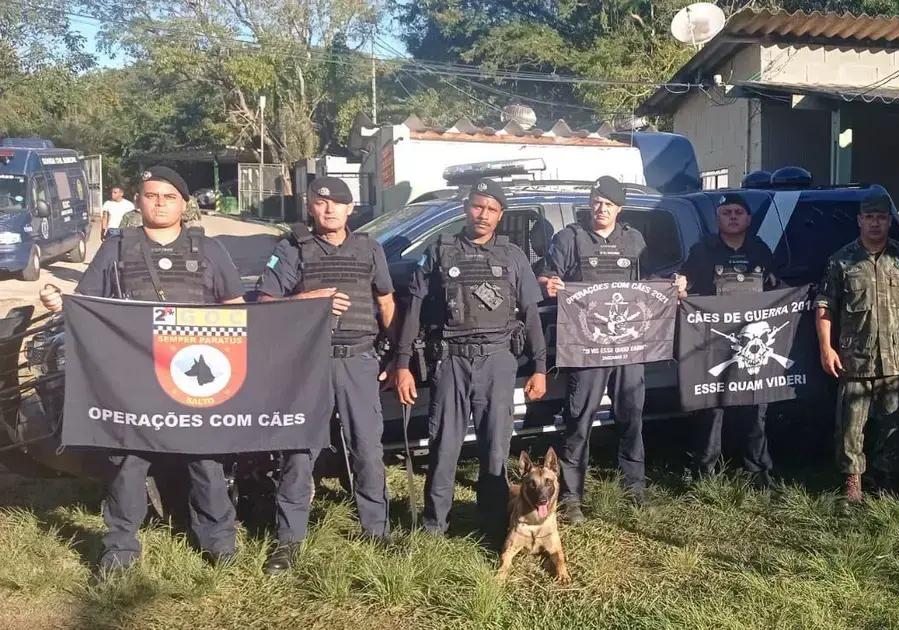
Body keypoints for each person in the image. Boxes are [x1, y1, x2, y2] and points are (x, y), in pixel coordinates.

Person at [39, 166, 244, 572]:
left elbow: (235, 311)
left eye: (169, 196)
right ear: (139, 200)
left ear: (184, 204)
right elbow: (86, 305)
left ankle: (219, 543)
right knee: (128, 462)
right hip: (131, 380)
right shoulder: (116, 249)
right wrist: (57, 301)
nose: (160, 203)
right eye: (152, 195)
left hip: (193, 377)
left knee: (205, 459)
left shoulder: (210, 250)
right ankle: (119, 549)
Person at [395, 178, 547, 544]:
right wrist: (402, 363)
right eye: (478, 206)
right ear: (466, 208)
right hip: (452, 361)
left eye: (492, 209)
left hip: (497, 360)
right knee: (444, 445)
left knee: (495, 447)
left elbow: (530, 313)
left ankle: (494, 524)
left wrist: (540, 367)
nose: (483, 214)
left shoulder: (513, 257)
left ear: (501, 215)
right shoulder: (440, 251)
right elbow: (413, 309)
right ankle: (435, 527)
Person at [257, 176, 395, 574]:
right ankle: (289, 542)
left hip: (358, 361)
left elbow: (385, 302)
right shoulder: (292, 248)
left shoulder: (369, 248)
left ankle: (376, 531)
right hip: (308, 364)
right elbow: (265, 301)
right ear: (310, 207)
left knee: (367, 449)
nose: (330, 209)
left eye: (338, 203)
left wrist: (391, 353)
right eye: (321, 202)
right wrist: (308, 299)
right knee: (299, 453)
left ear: (351, 209)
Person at [538, 176, 665, 523]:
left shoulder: (634, 240)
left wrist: (675, 286)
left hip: (628, 346)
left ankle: (633, 489)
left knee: (631, 417)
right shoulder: (569, 238)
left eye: (608, 203)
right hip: (586, 347)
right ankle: (572, 497)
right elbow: (546, 277)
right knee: (579, 420)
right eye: (596, 201)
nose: (601, 208)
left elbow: (650, 284)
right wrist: (550, 284)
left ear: (619, 208)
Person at [815, 195, 899, 506]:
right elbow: (825, 307)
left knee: (893, 423)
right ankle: (853, 486)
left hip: (896, 356)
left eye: (881, 217)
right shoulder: (842, 260)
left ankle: (886, 482)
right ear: (860, 221)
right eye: (870, 217)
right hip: (855, 357)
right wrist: (826, 348)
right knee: (851, 425)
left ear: (889, 221)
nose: (876, 222)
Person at [677, 193, 780, 489]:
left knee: (756, 406)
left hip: (753, 342)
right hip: (715, 342)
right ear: (718, 218)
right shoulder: (702, 251)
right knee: (712, 407)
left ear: (748, 219)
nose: (733, 217)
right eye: (726, 212)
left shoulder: (760, 250)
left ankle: (757, 471)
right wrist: (681, 287)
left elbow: (776, 289)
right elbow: (687, 284)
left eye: (738, 212)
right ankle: (705, 472)